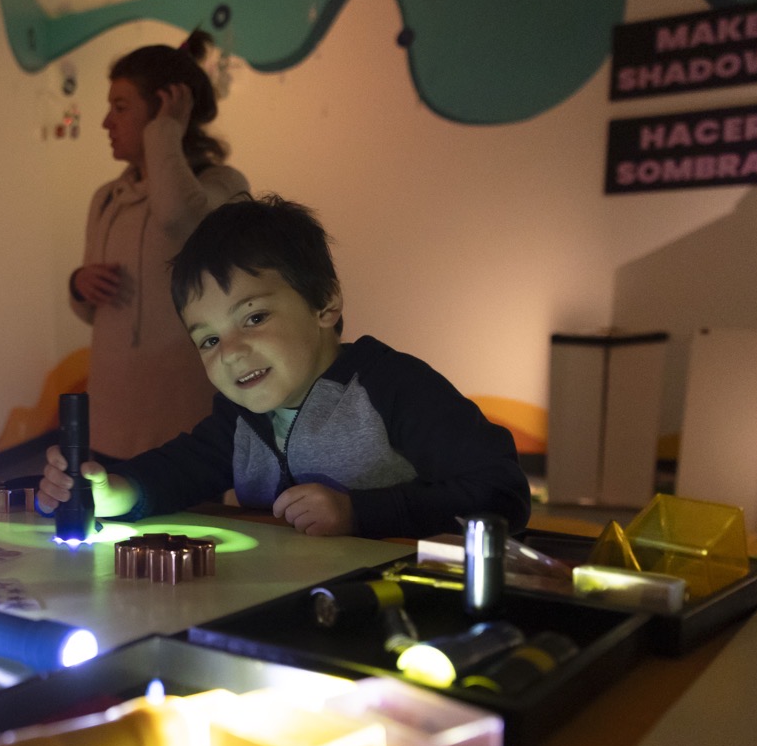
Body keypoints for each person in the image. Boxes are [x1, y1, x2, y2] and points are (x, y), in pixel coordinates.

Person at [38, 195, 533, 539]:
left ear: (325, 304)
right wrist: (111, 492)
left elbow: (501, 489)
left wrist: (359, 514)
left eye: (253, 317)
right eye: (208, 339)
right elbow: (180, 470)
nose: (229, 351)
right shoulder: (239, 419)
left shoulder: (395, 387)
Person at [69, 31, 249, 460]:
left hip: (185, 418)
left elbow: (178, 218)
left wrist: (166, 132)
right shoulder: (107, 197)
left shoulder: (223, 185)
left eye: (120, 107)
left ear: (167, 107)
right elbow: (87, 311)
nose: (106, 122)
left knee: (189, 525)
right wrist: (79, 285)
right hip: (110, 415)